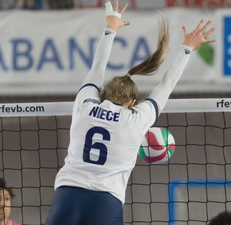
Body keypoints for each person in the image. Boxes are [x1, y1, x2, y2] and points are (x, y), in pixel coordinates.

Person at [44, 0, 215, 224]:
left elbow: (97, 67)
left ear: (102, 94)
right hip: (106, 202)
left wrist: (110, 28)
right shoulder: (136, 119)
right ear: (133, 102)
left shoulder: (84, 104)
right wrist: (187, 49)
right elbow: (166, 86)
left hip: (68, 195)